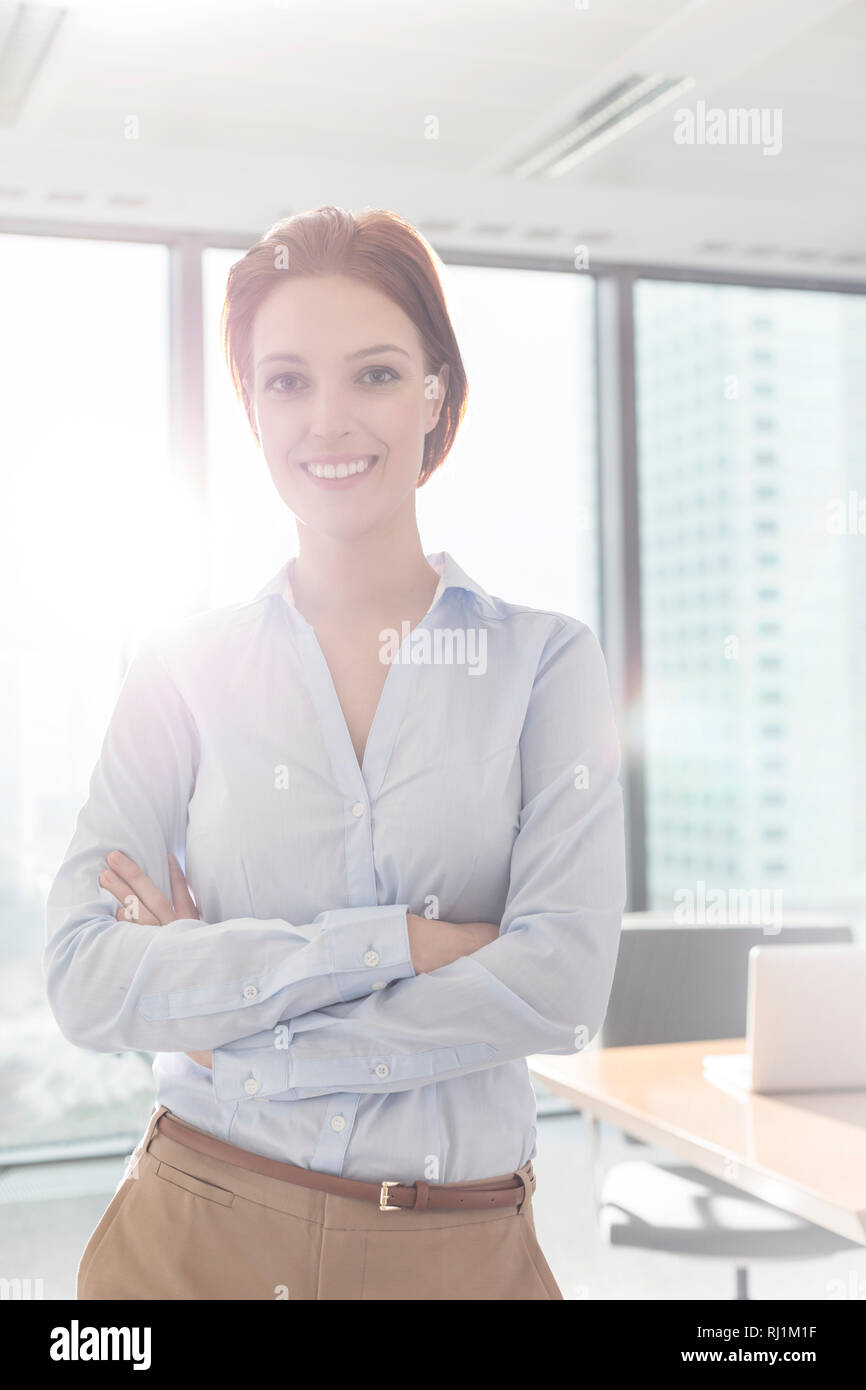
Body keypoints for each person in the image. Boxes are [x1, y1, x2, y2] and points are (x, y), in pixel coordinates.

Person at [43, 204, 627, 1300]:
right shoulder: (177, 669)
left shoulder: (547, 665)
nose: (327, 421)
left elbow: (557, 985)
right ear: (250, 408)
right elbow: (84, 975)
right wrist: (409, 942)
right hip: (193, 1237)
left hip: (457, 1252)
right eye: (285, 381)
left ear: (433, 393)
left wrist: (234, 1021)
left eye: (372, 374)